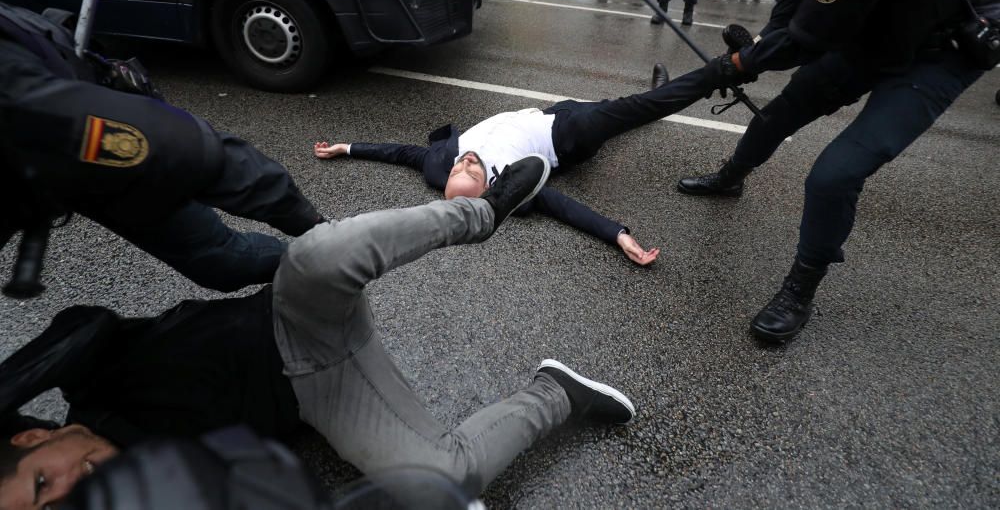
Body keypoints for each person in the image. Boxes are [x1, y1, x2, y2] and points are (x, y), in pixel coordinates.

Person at [0, 156, 639, 509]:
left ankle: (478, 210)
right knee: (442, 479)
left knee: (317, 252)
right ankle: (556, 390)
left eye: (42, 484)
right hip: (321, 396)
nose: (70, 493)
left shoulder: (87, 378)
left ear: (32, 436)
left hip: (289, 312)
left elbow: (81, 326)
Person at [678, 0, 1000, 343]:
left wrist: (744, 63)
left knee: (835, 173)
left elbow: (813, 32)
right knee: (783, 112)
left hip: (941, 52)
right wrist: (764, 41)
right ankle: (730, 177)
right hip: (878, 30)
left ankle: (800, 290)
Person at [0, 2, 322, 293]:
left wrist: (320, 233)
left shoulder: (23, 102)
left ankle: (317, 268)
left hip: (59, 121)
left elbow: (187, 150)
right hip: (37, 157)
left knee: (222, 260)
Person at [314, 61, 742, 266]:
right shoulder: (515, 187)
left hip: (548, 110)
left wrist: (347, 147)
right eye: (471, 172)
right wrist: (619, 235)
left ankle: (656, 98)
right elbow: (562, 207)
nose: (464, 163)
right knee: (633, 110)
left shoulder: (439, 166)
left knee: (626, 110)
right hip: (566, 137)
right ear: (489, 189)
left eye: (458, 170)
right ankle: (721, 72)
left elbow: (399, 153)